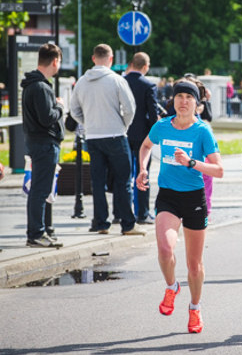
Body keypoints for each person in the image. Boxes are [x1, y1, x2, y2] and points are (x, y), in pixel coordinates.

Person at [137, 80, 223, 334]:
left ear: (197, 103)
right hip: (168, 197)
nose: (183, 101)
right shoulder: (162, 126)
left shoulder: (202, 131)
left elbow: (218, 170)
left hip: (194, 198)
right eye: (179, 96)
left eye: (189, 97)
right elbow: (145, 146)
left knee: (194, 264)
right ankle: (172, 286)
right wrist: (143, 169)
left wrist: (192, 162)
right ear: (173, 101)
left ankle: (195, 307)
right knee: (165, 249)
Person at [70, 44, 145, 236]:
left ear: (93, 58)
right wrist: (123, 125)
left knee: (98, 182)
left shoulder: (81, 82)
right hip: (115, 135)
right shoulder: (116, 80)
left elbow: (74, 111)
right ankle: (128, 224)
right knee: (123, 181)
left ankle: (101, 222)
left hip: (93, 137)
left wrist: (88, 124)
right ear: (111, 59)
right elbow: (130, 108)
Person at [21, 43, 64, 248]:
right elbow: (47, 118)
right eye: (59, 62)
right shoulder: (41, 87)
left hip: (37, 142)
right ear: (54, 61)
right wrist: (60, 106)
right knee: (41, 189)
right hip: (45, 144)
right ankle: (36, 233)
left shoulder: (31, 84)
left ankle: (39, 231)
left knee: (40, 188)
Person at [124, 52, 160, 224]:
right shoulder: (148, 85)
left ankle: (121, 213)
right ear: (145, 66)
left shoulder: (121, 83)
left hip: (123, 133)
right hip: (143, 136)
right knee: (142, 172)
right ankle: (142, 213)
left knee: (124, 175)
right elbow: (153, 114)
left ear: (132, 64)